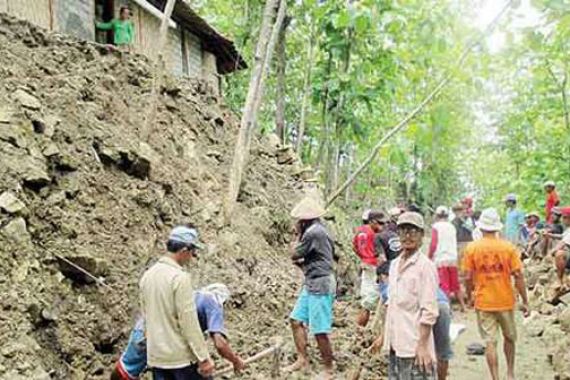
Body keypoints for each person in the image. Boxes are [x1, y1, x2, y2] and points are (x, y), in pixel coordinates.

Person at [110, 284, 245, 380]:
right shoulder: (214, 301)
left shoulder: (190, 296)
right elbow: (220, 344)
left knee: (125, 369)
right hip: (168, 343)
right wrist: (235, 360)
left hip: (144, 329)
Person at [139, 226, 214, 379]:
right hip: (180, 359)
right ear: (184, 250)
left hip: (157, 357)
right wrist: (203, 357)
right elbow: (188, 322)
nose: (192, 257)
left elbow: (146, 317)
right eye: (193, 253)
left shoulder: (148, 276)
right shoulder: (179, 278)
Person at [462, 208, 530, 380]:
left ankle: (495, 377)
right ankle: (510, 373)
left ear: (481, 227)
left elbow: (467, 276)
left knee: (490, 342)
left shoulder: (472, 248)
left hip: (484, 300)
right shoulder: (508, 248)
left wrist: (470, 295)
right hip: (505, 300)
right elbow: (518, 275)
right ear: (497, 228)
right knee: (510, 338)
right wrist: (525, 300)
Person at [383, 212, 439, 380]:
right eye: (403, 231)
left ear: (422, 235)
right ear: (397, 234)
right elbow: (391, 304)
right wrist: (383, 337)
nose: (408, 236)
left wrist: (422, 346)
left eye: (413, 231)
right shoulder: (394, 265)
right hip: (395, 343)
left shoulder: (425, 267)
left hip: (414, 345)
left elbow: (429, 311)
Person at [284, 196, 336, 379]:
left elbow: (294, 254)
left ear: (304, 220)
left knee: (320, 330)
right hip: (313, 281)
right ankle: (302, 359)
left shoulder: (313, 233)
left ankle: (328, 369)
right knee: (296, 320)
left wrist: (296, 235)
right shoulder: (320, 229)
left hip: (320, 283)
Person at [369, 285, 452, 380]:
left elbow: (391, 311)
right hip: (442, 304)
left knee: (417, 352)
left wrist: (382, 337)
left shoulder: (388, 287)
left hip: (424, 307)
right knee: (442, 353)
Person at [353, 210, 387, 326]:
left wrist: (363, 257)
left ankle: (360, 330)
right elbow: (380, 254)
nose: (382, 226)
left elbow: (355, 247)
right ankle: (361, 330)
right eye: (380, 223)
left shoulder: (359, 231)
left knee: (367, 299)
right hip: (374, 266)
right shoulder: (375, 235)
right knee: (371, 302)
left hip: (365, 265)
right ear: (372, 221)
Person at [429, 206, 466, 312]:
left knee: (444, 285)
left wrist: (430, 256)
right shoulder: (451, 226)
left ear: (436, 215)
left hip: (440, 259)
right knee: (455, 284)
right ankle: (463, 306)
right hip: (452, 257)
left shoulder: (435, 227)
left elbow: (434, 243)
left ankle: (448, 307)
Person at [552, 207, 570, 288]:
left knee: (559, 254)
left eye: (564, 217)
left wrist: (552, 252)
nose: (562, 219)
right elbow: (562, 237)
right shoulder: (568, 230)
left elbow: (562, 243)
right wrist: (549, 235)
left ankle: (559, 279)